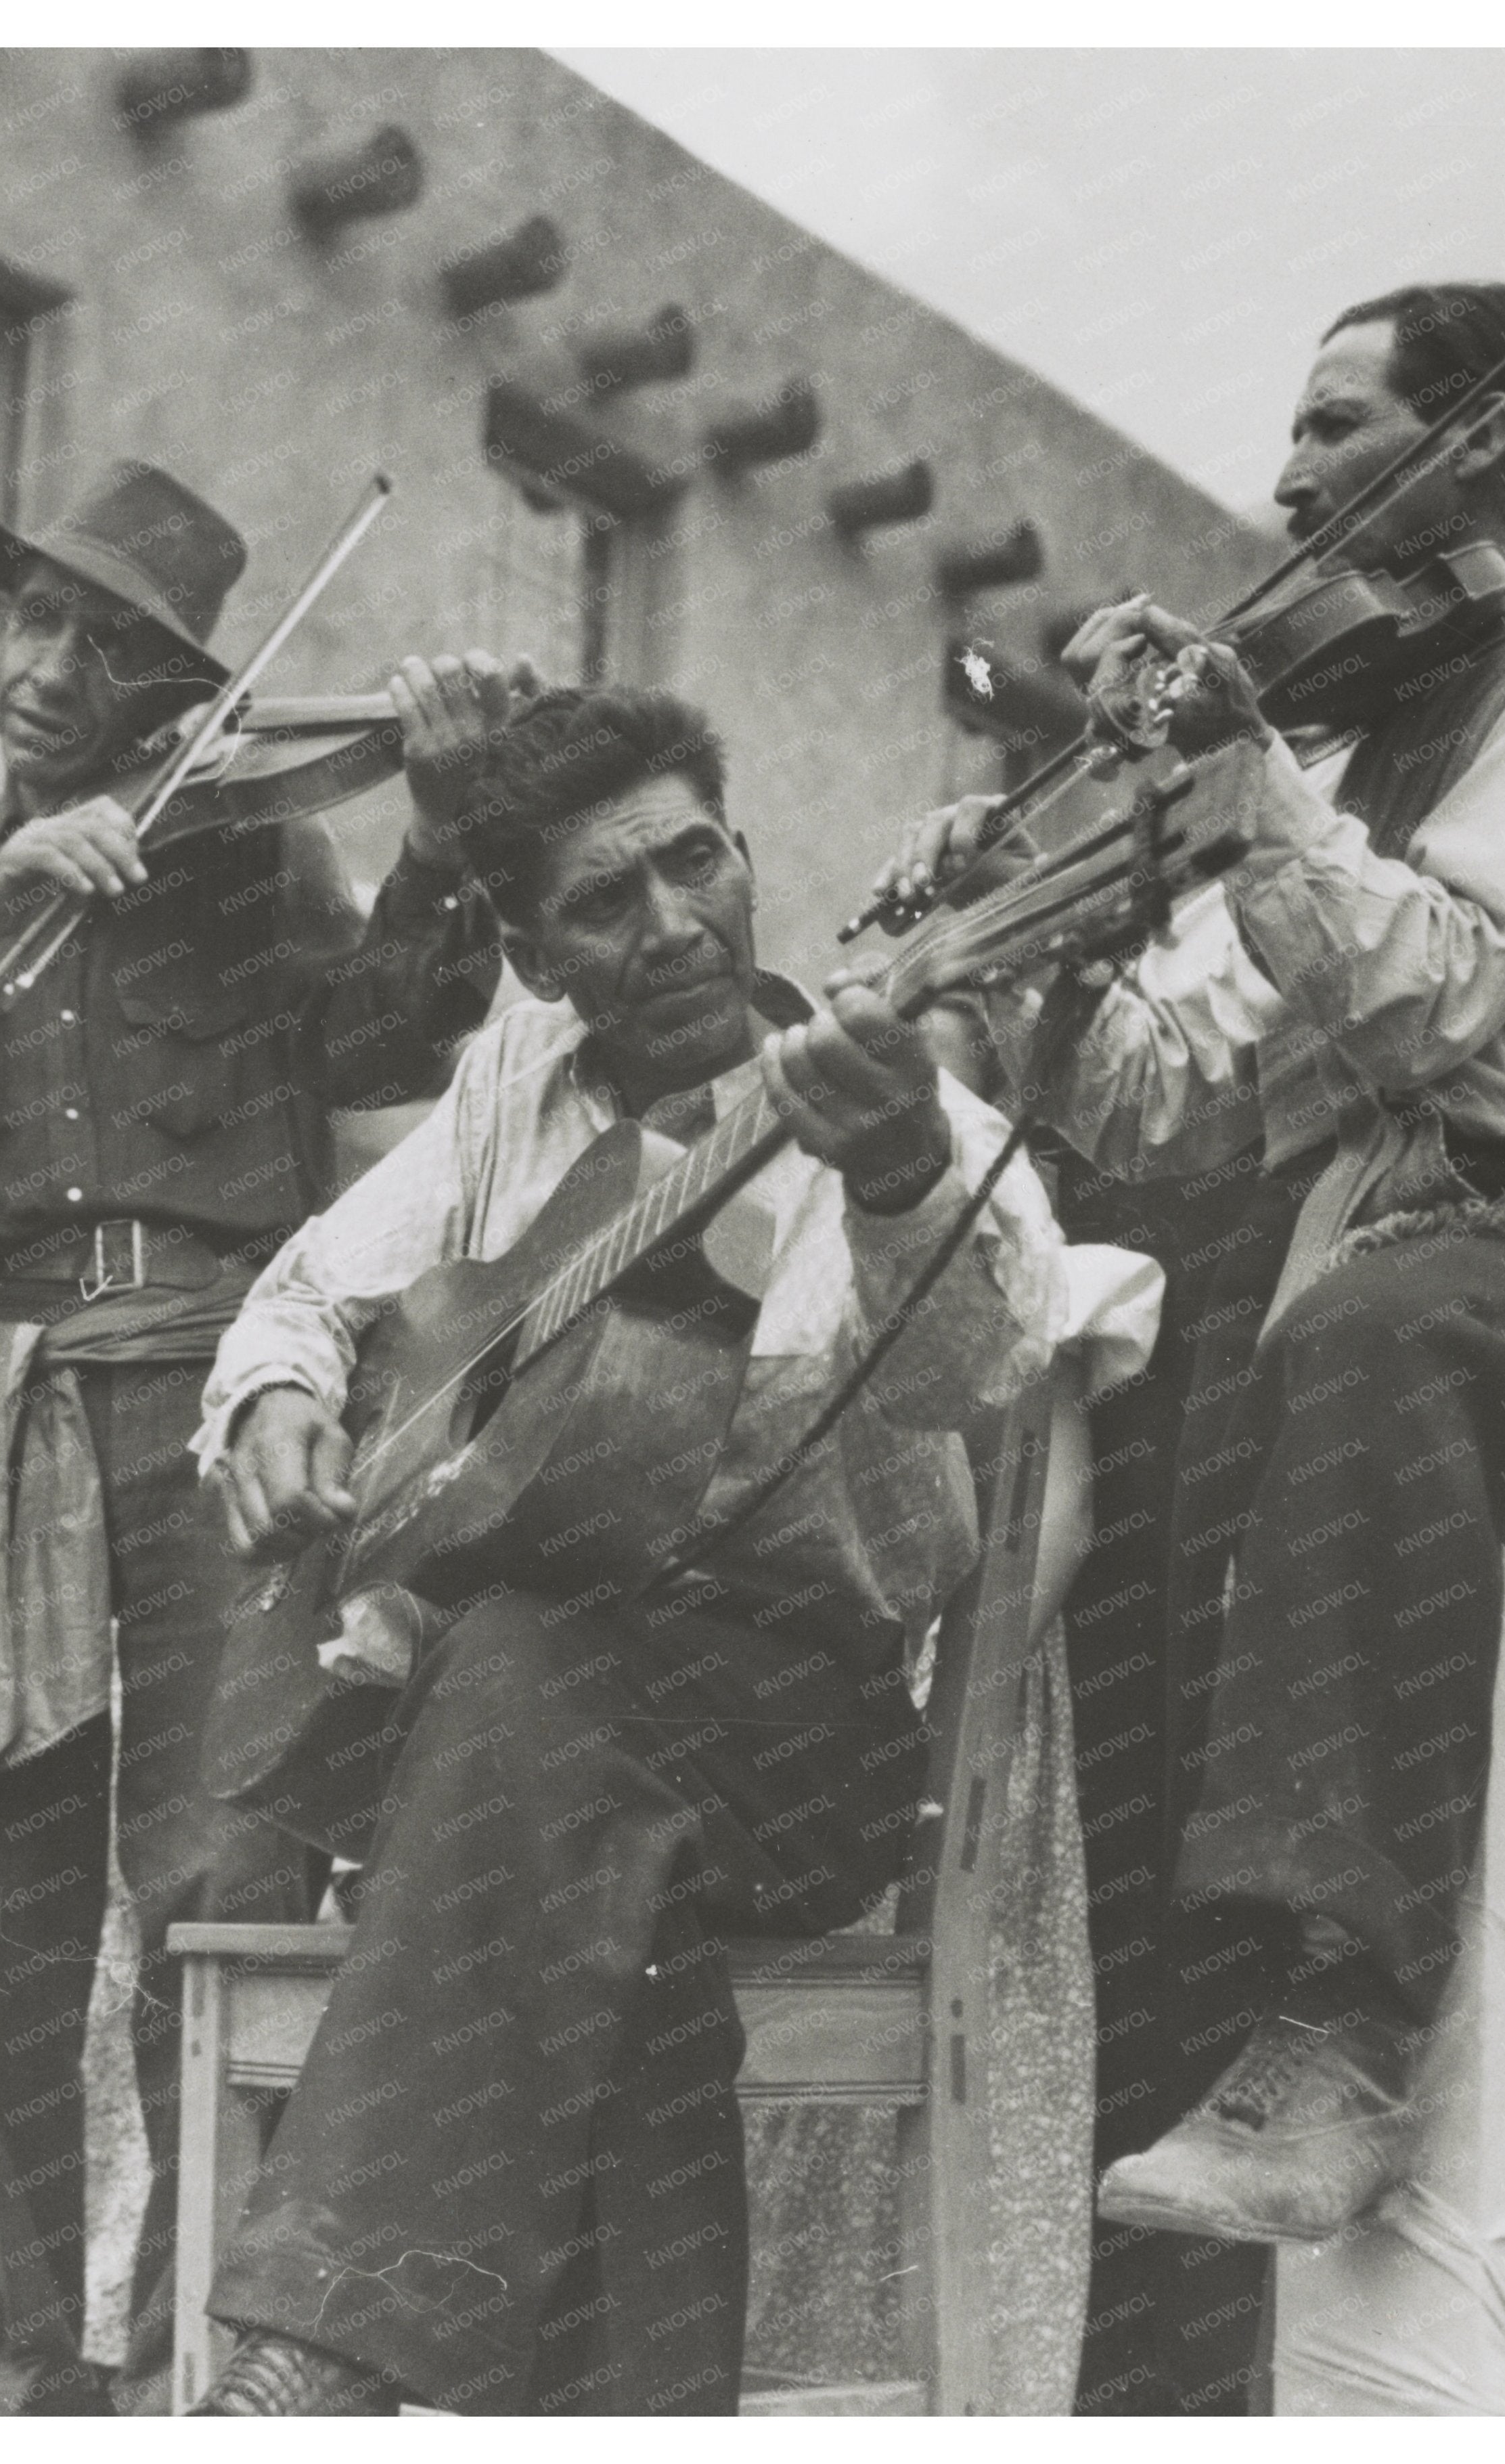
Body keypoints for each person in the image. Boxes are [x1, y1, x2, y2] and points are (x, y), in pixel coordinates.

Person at [874, 278, 1505, 2243]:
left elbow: (1427, 988)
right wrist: (1038, 951)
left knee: (1369, 1337)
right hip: (1335, 1239)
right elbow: (1192, 1109)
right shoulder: (1347, 744)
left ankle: (1343, 2032)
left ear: (1493, 436)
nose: (1283, 473)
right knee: (1151, 1576)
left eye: (1339, 422)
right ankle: (1171, 2142)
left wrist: (1246, 784)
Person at [193, 685, 1155, 2414]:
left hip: (802, 1742)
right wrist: (276, 1397)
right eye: (603, 903)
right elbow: (309, 1288)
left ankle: (317, 2352)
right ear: (534, 953)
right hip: (532, 1773)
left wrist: (899, 1172)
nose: (674, 923)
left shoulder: (885, 1087)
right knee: (575, 1820)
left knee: (538, 1680)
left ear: (747, 853)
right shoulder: (511, 1096)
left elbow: (979, 1364)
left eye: (696, 863)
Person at [0, 458, 527, 2405]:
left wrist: (443, 826)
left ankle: (203, 2343)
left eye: (107, 646)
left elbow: (381, 1054)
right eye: (33, 620)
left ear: (182, 698)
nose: (49, 667)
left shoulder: (256, 864)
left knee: (218, 1855)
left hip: (199, 1378)